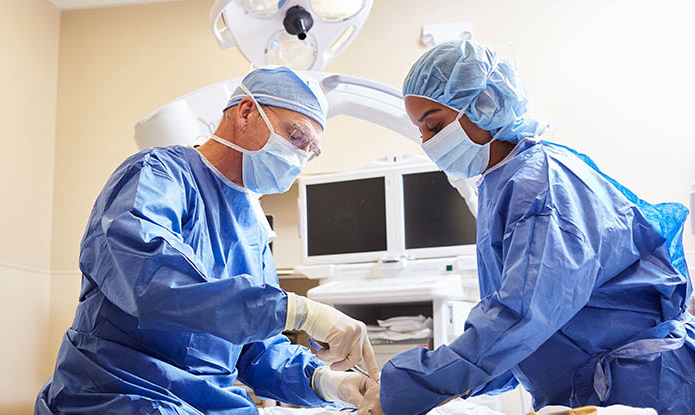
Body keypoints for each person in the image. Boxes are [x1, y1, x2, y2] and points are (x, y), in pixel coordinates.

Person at [357, 40, 695, 415]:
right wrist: (448, 383)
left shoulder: (540, 185)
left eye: (433, 125)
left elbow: (521, 318)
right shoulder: (502, 184)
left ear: (484, 105)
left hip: (642, 386)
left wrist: (408, 386)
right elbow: (525, 339)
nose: (426, 142)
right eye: (420, 131)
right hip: (596, 386)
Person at [35, 66, 379, 415]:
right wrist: (299, 311)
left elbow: (255, 349)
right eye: (295, 136)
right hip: (119, 395)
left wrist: (330, 383)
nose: (300, 156)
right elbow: (154, 284)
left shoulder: (252, 229)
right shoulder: (157, 176)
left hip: (205, 406)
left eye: (311, 150)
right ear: (246, 112)